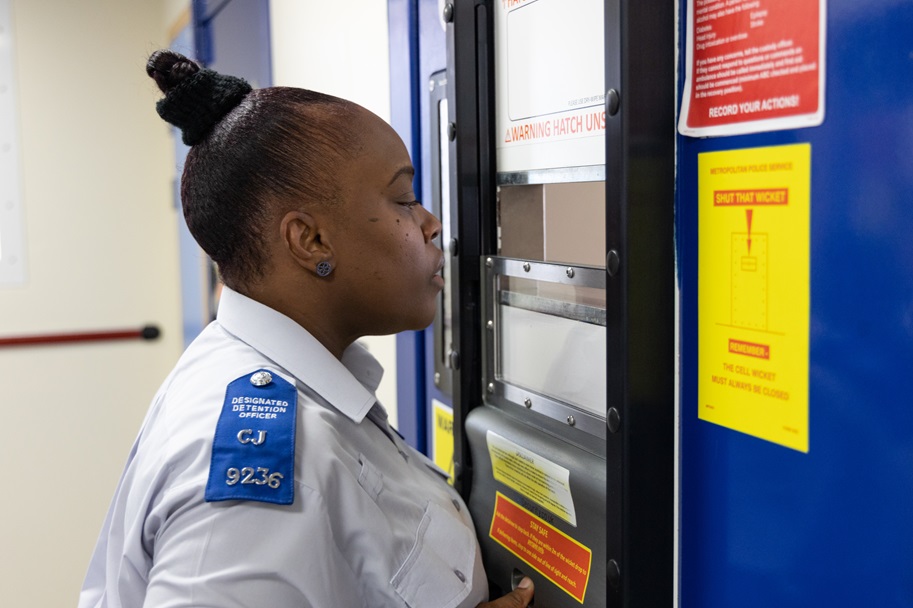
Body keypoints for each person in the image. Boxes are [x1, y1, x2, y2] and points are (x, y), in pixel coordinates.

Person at [77, 49, 536, 608]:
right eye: (404, 198)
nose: (431, 224)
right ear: (310, 241)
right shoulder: (267, 464)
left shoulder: (288, 381)